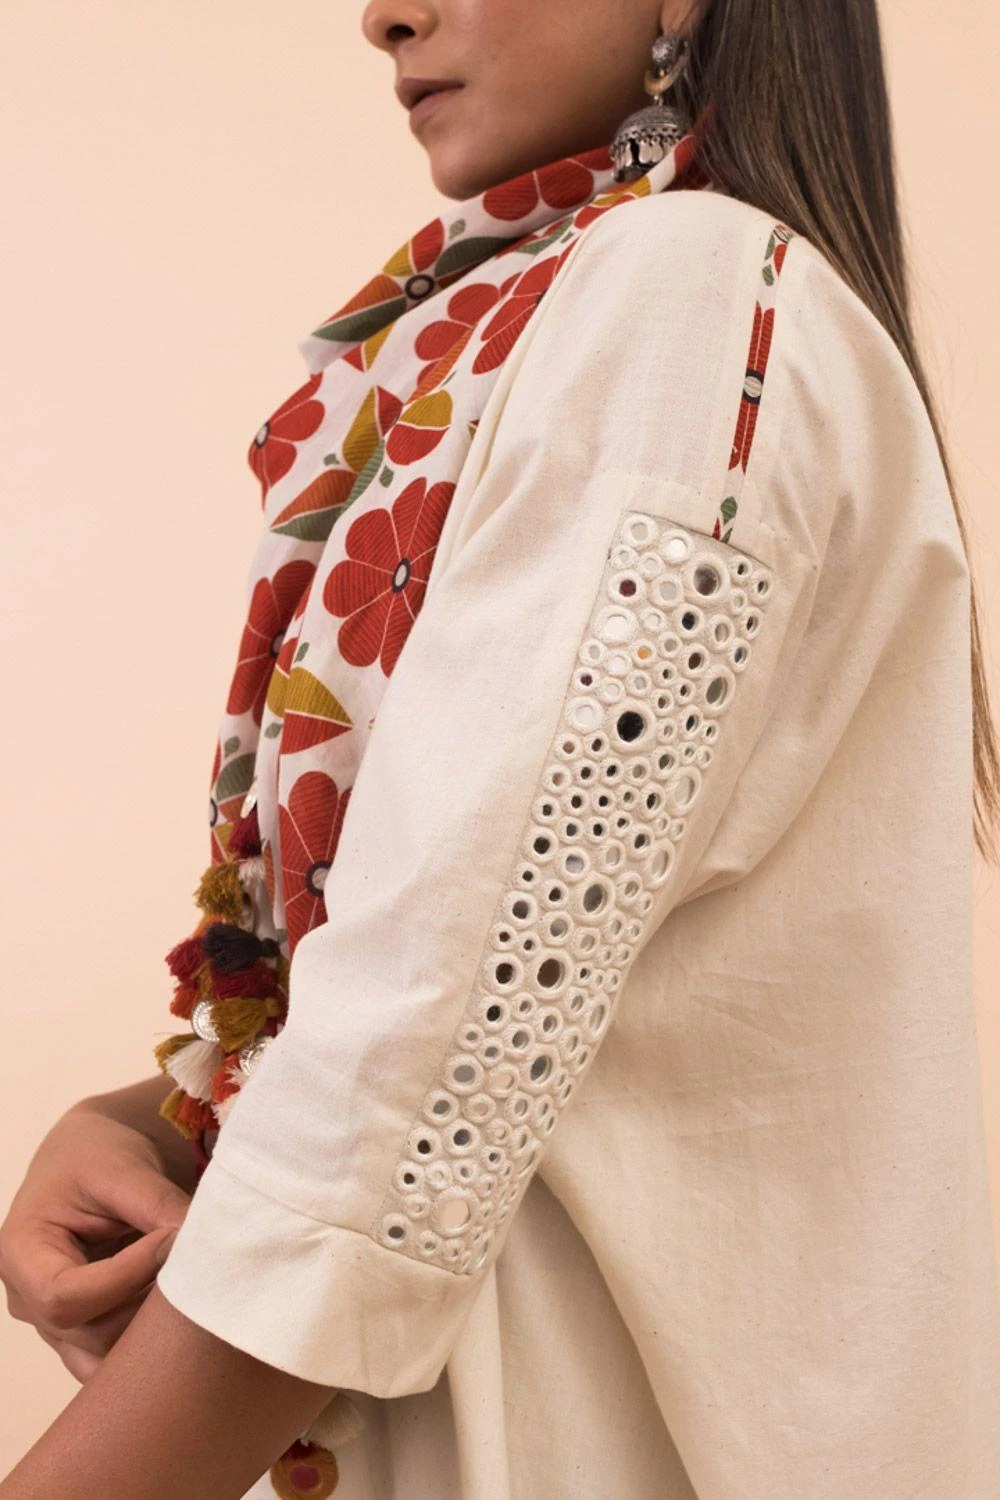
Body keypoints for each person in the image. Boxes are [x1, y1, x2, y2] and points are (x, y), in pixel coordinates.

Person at [2, 1, 999, 1496]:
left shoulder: (687, 297)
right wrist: (150, 1124)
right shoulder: (608, 308)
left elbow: (418, 1078)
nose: (383, 14)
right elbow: (536, 988)